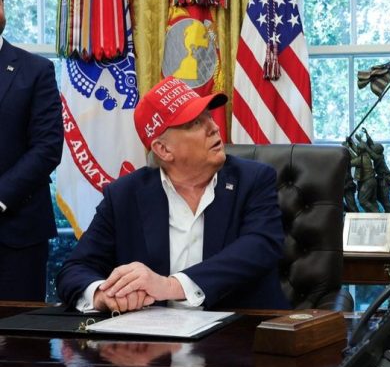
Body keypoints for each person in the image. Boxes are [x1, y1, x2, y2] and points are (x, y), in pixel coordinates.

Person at [56, 76, 289, 312]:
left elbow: (260, 246)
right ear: (163, 149)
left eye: (208, 116)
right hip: (153, 332)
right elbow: (74, 269)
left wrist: (170, 286)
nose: (214, 127)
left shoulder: (253, 179)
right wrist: (102, 295)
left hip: (240, 328)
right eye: (196, 123)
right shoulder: (124, 195)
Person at [0, 0, 64, 301]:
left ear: (3, 8)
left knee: (19, 329)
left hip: (17, 233)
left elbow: (48, 147)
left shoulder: (36, 70)